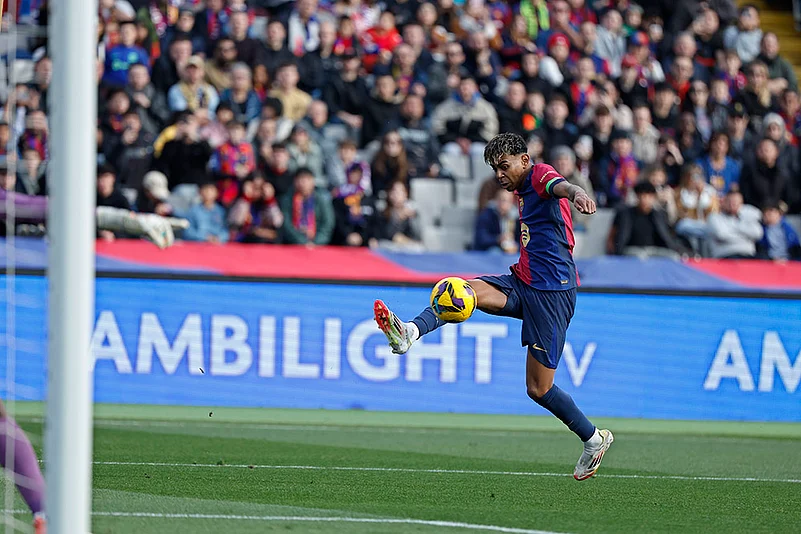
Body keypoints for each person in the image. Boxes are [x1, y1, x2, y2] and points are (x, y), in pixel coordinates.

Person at [372, 133, 614, 481]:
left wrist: (577, 193)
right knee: (461, 290)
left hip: (553, 295)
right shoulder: (519, 191)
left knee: (538, 389)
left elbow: (561, 185)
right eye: (494, 168)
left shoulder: (538, 175)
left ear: (524, 161)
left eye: (504, 166)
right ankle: (409, 332)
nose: (499, 174)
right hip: (522, 281)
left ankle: (593, 439)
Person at [707, 190, 764, 258]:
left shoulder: (748, 216)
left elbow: (758, 233)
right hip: (726, 255)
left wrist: (734, 227)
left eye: (735, 202)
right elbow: (722, 235)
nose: (732, 204)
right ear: (724, 202)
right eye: (729, 201)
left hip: (749, 255)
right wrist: (747, 238)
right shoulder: (714, 217)